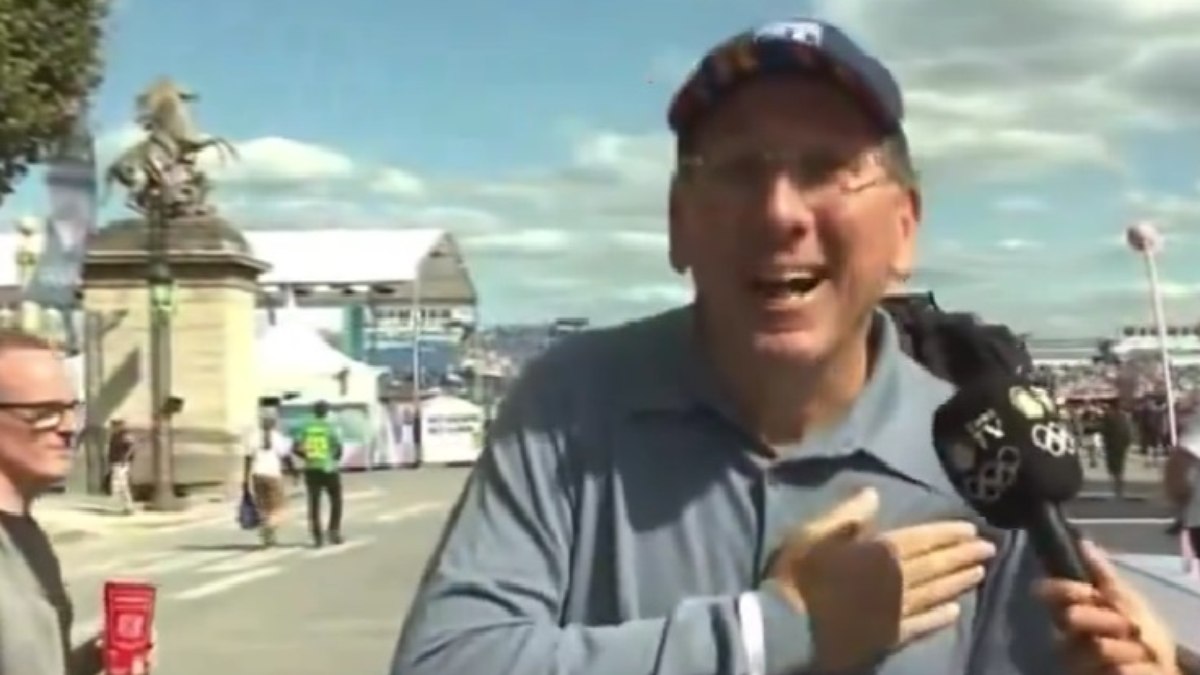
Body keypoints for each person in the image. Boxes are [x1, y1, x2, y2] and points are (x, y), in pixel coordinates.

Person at [391, 18, 1182, 675]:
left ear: (904, 227)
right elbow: (446, 660)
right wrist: (774, 631)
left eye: (829, 169)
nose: (779, 213)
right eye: (736, 170)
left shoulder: (982, 458)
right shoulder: (567, 407)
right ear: (678, 223)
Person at [0, 329, 155, 674]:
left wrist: (86, 664)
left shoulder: (26, 532)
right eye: (44, 412)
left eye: (72, 409)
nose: (69, 427)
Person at [292, 400, 344, 547]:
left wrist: (307, 456)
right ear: (326, 411)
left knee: (314, 503)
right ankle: (334, 531)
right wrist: (334, 459)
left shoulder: (305, 427)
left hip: (311, 468)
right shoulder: (331, 427)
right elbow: (339, 449)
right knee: (336, 500)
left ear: (314, 411)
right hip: (328, 468)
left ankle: (317, 537)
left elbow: (295, 448)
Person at [242, 408, 293, 547]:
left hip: (257, 475)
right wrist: (293, 472)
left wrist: (245, 479)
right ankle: (269, 528)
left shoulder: (252, 437)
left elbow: (247, 459)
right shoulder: (277, 437)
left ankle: (266, 530)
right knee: (276, 507)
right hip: (273, 475)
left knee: (262, 505)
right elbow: (286, 457)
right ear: (273, 422)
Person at [106, 419, 136, 515]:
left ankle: (128, 507)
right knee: (118, 485)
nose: (112, 428)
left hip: (121, 463)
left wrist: (125, 459)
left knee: (122, 485)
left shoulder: (124, 435)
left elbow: (131, 447)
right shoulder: (115, 435)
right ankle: (124, 507)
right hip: (116, 462)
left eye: (114, 426)